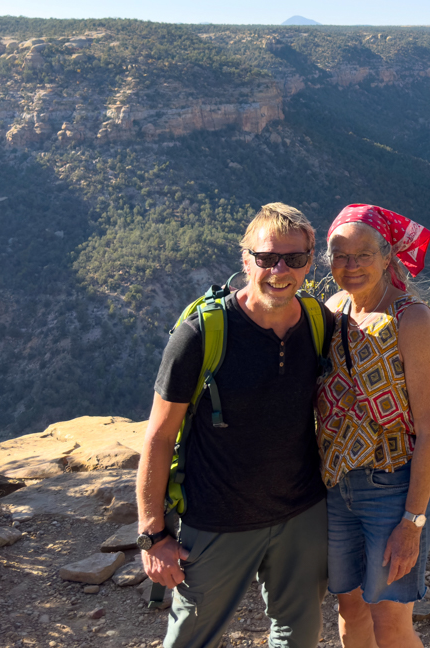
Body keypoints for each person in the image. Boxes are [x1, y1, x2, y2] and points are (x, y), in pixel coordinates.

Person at [137, 202, 329, 648]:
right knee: (191, 638)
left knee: (297, 634)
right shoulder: (201, 334)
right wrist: (153, 534)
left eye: (294, 259)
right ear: (246, 261)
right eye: (266, 258)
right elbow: (160, 435)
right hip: (216, 519)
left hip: (301, 514)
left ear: (309, 263)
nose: (279, 270)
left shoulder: (319, 323)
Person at [316, 204, 430, 648]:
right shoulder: (332, 311)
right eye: (339, 255)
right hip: (338, 487)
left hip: (393, 490)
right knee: (350, 610)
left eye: (362, 255)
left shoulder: (412, 319)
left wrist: (412, 521)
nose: (350, 266)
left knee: (391, 623)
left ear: (387, 256)